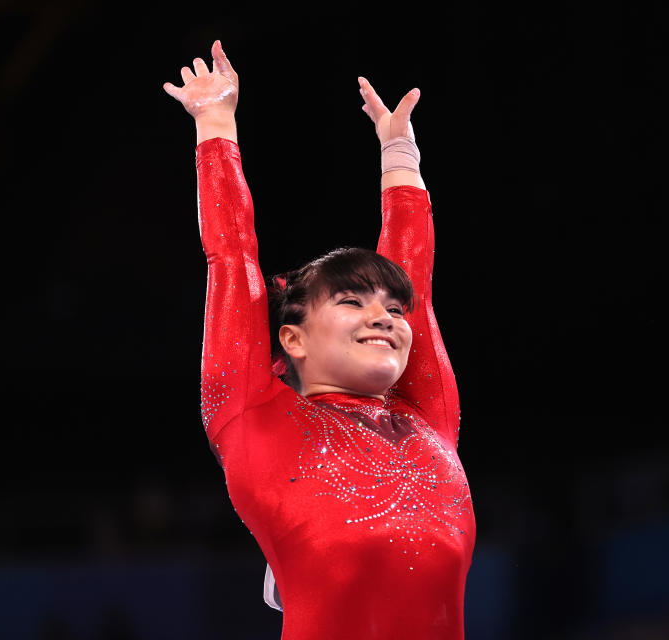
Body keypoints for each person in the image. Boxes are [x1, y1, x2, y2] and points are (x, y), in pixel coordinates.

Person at [163, 40, 475, 640]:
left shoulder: (428, 421)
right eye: (353, 302)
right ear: (292, 339)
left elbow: (420, 287)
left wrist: (399, 153)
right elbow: (231, 260)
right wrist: (216, 127)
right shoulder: (254, 418)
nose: (385, 316)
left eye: (390, 307)